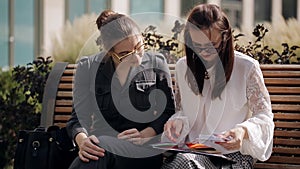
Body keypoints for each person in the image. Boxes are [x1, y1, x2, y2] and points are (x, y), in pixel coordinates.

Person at [161, 4, 274, 169]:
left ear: (225, 37)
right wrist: (176, 123)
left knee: (183, 164)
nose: (204, 52)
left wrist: (242, 132)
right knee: (180, 162)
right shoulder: (182, 67)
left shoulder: (246, 67)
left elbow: (264, 117)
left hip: (233, 155)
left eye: (212, 45)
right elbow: (182, 111)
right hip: (195, 151)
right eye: (197, 45)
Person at [66, 9, 175, 169]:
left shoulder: (156, 63)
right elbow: (78, 119)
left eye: (139, 47)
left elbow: (168, 111)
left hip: (142, 151)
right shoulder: (88, 68)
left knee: (101, 148)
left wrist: (146, 134)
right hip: (102, 146)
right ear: (109, 51)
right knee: (98, 149)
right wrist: (83, 141)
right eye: (125, 53)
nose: (136, 57)